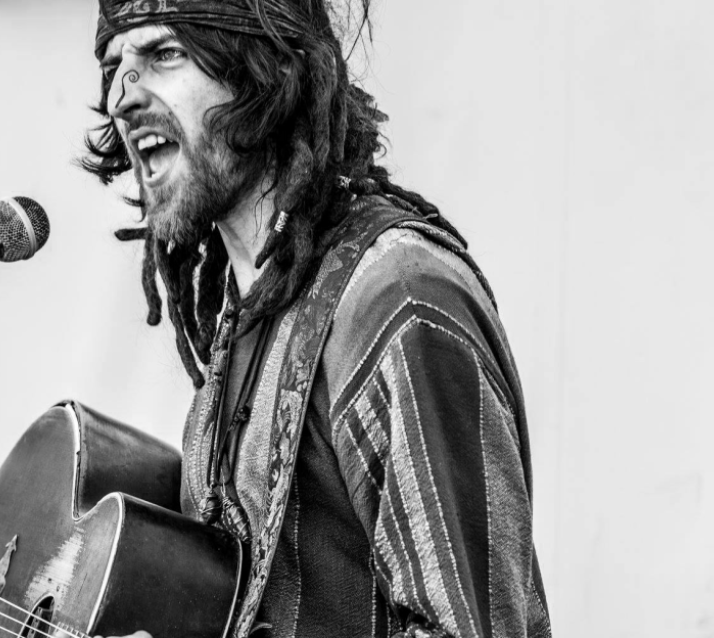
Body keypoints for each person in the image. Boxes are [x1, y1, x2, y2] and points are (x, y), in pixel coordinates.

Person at [82, 1, 551, 637]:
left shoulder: (396, 298)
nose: (123, 97)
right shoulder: (248, 322)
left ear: (266, 70)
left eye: (165, 54)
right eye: (114, 67)